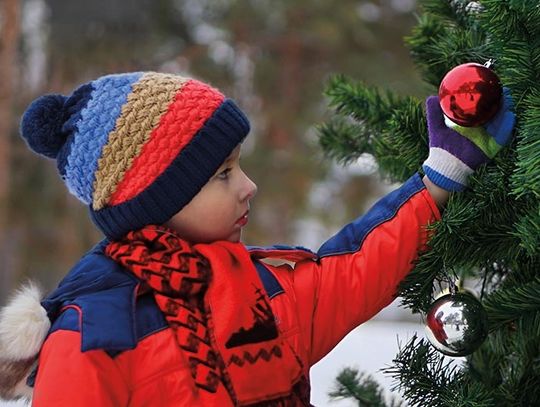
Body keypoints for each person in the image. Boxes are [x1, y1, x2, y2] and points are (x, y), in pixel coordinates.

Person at [0, 72, 514, 406]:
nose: (249, 186)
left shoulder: (259, 288)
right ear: (159, 199)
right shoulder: (92, 336)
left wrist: (439, 178)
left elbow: (355, 269)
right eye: (223, 174)